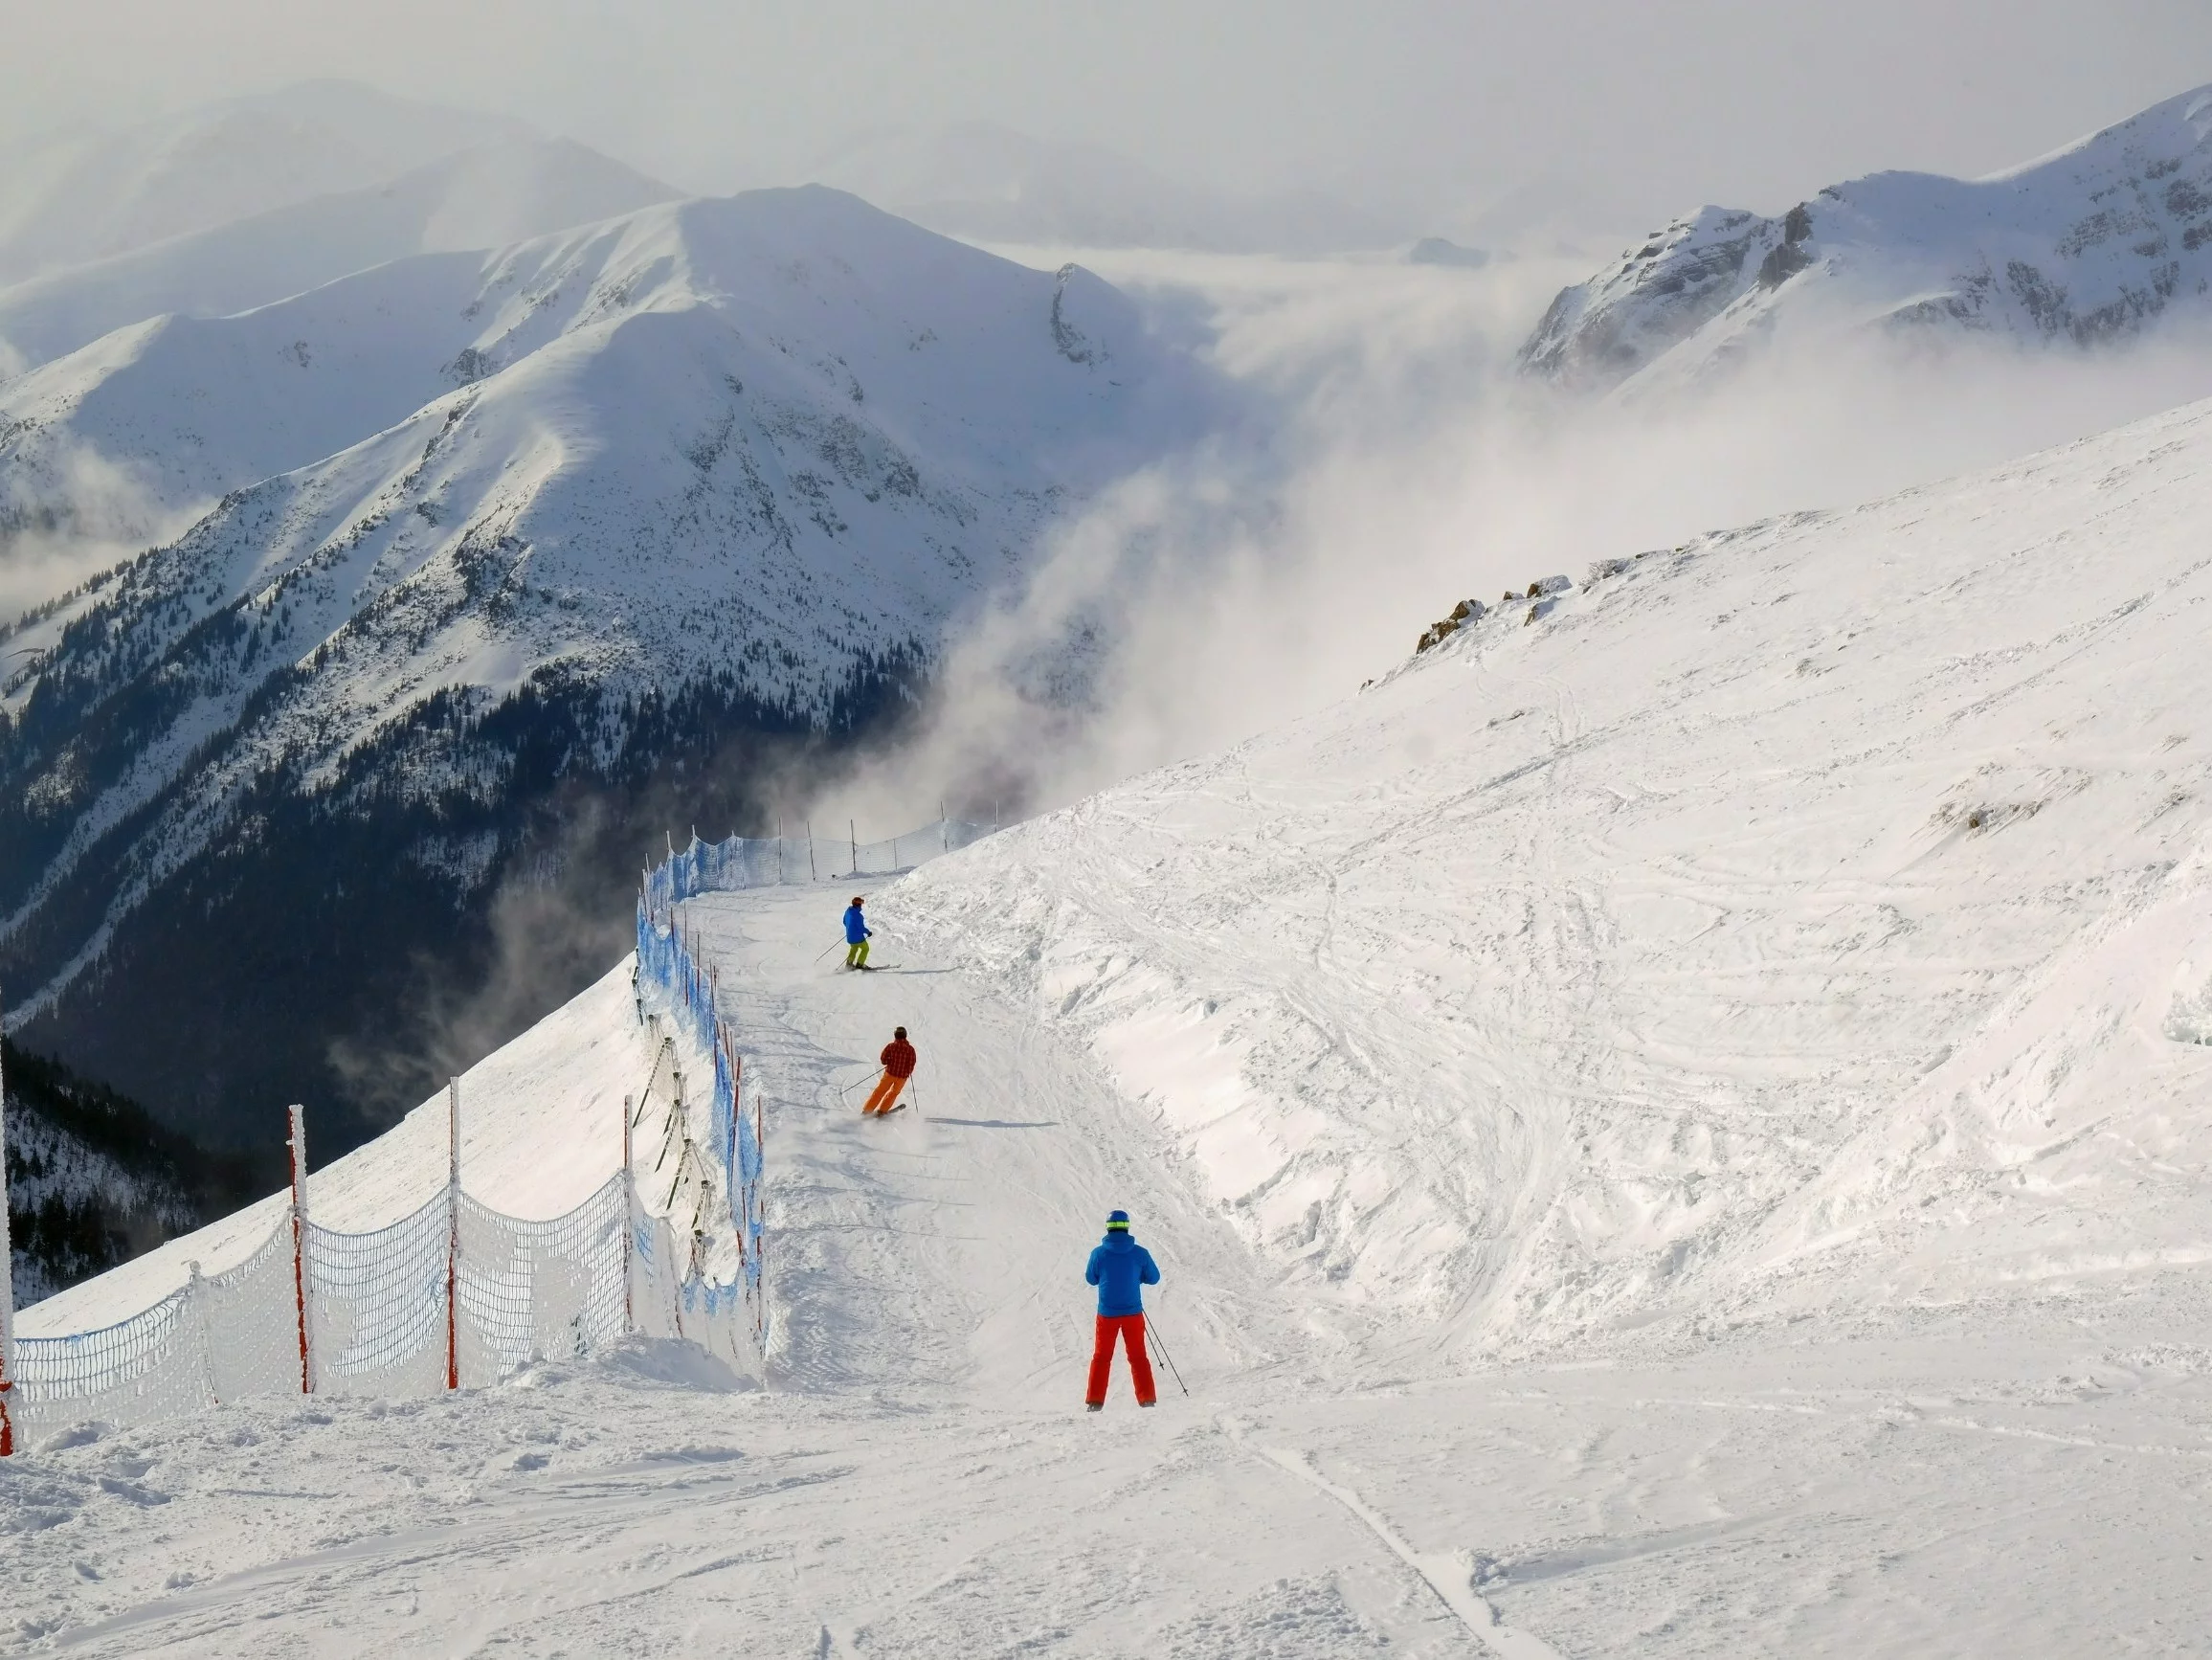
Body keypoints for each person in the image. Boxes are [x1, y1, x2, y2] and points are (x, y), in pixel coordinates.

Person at [1084, 1209, 1159, 1410]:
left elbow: (1091, 1279)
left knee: (1101, 1357)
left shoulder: (1098, 1253)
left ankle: (1095, 1402)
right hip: (1133, 1314)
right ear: (1127, 1227)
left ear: (1108, 1227)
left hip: (1107, 1314)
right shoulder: (1140, 1253)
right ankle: (1147, 1400)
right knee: (1138, 1356)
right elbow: (1154, 1278)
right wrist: (1136, 1277)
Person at [862, 1026, 917, 1115]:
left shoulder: (891, 1046)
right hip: (901, 1078)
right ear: (905, 1036)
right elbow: (912, 1062)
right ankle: (882, 1111)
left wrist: (888, 1062)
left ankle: (867, 1110)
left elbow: (883, 1059)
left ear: (895, 1036)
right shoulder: (910, 1049)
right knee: (893, 1093)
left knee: (880, 1091)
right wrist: (907, 1072)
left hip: (890, 1074)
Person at [842, 895, 872, 970]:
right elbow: (861, 928)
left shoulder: (848, 911)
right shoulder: (858, 916)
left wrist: (850, 929)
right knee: (865, 949)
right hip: (858, 938)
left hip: (850, 936)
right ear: (859, 905)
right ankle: (860, 964)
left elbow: (844, 922)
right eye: (861, 903)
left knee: (854, 949)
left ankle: (849, 964)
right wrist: (868, 932)